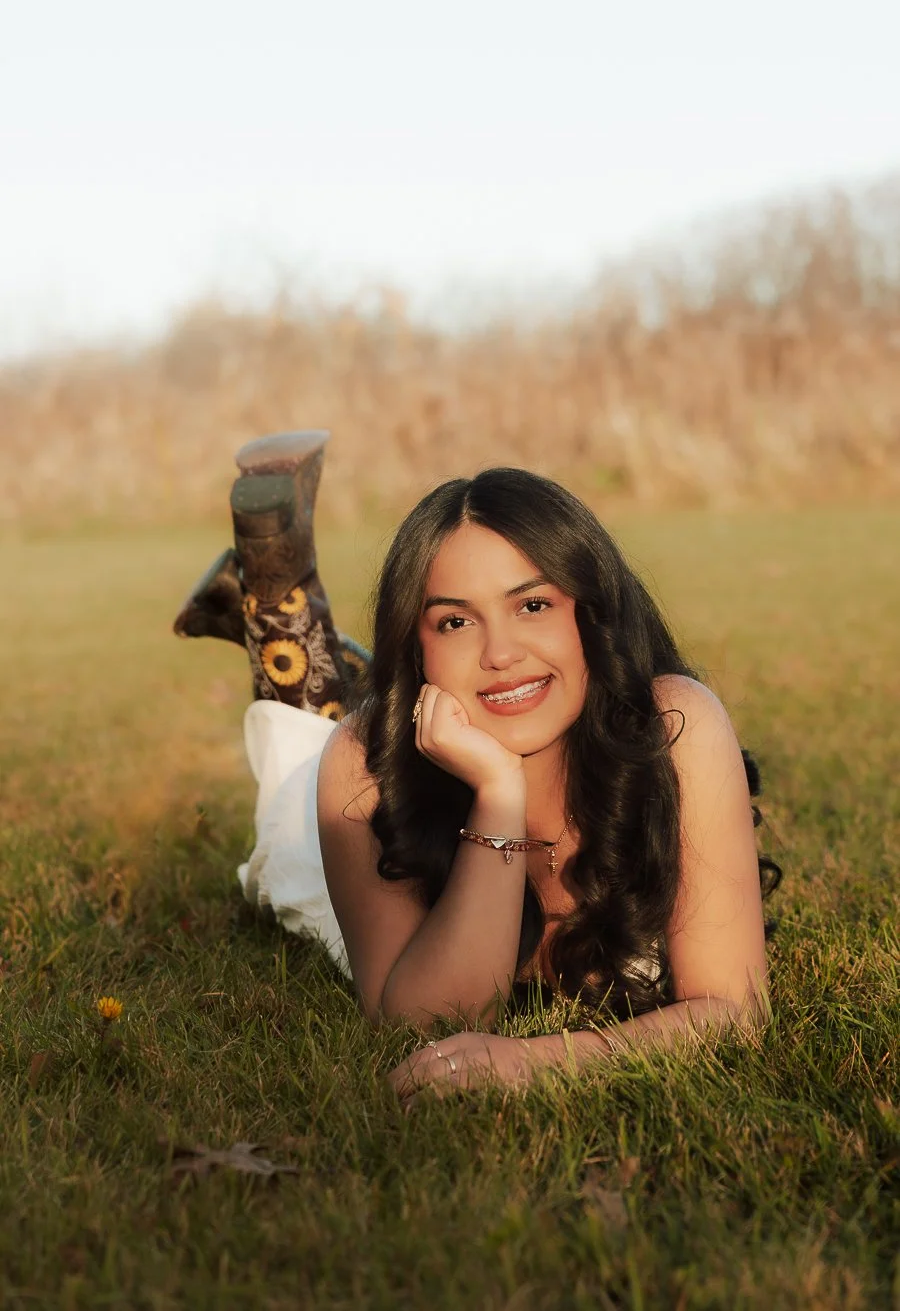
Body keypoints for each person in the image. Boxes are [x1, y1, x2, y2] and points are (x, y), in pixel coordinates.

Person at [238, 467, 780, 1104]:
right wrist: (498, 795)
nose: (500, 652)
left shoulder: (675, 725)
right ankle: (275, 602)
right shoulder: (362, 772)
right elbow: (420, 1024)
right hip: (358, 831)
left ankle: (333, 650)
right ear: (419, 651)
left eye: (532, 605)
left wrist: (538, 1060)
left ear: (592, 614)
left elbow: (735, 1013)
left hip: (450, 713)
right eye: (454, 623)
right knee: (293, 768)